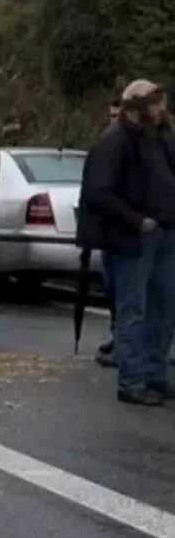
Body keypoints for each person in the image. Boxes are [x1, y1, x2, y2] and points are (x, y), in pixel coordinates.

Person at [78, 80, 175, 406]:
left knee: (163, 308)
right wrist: (136, 219)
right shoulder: (115, 141)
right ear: (138, 105)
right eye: (157, 103)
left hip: (163, 232)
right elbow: (100, 191)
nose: (163, 109)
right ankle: (132, 381)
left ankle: (154, 376)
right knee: (134, 310)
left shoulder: (156, 137)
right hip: (133, 238)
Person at [92, 98, 123, 368]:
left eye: (118, 115)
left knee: (131, 294)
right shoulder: (106, 144)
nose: (114, 120)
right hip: (109, 230)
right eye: (111, 115)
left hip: (130, 230)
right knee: (114, 290)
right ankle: (118, 337)